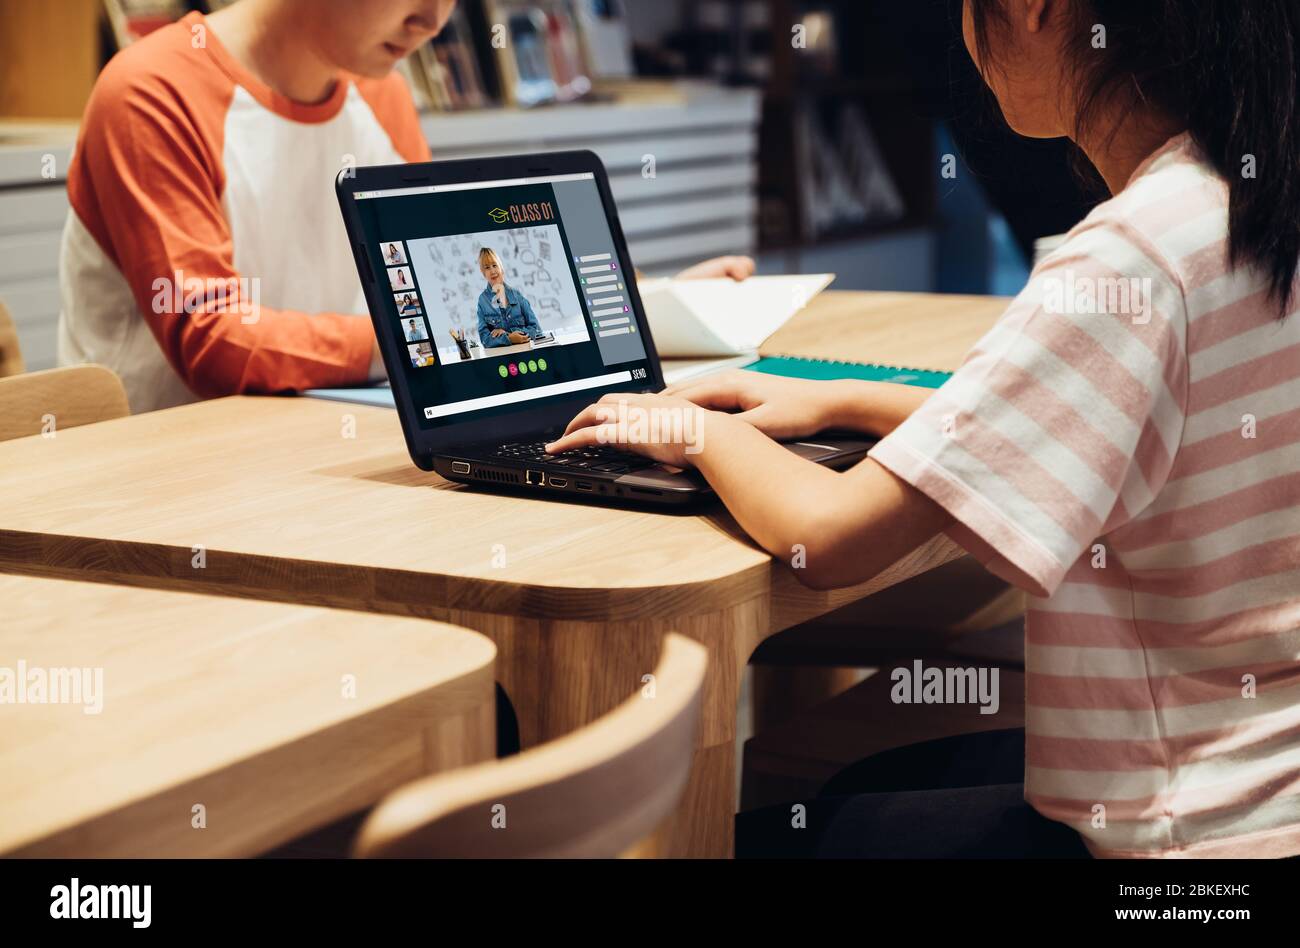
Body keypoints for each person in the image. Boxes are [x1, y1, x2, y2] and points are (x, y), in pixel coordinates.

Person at [550, 0, 1300, 859]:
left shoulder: (1130, 257)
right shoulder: (1250, 202)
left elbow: (830, 541)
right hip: (1271, 795)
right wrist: (846, 402)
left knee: (759, 840)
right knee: (854, 790)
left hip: (1179, 844)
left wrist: (692, 430)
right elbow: (1123, 421)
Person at [57, 0, 755, 413]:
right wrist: (412, 343)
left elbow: (440, 290)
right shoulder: (152, 91)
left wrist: (637, 305)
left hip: (318, 457)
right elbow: (215, 342)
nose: (435, 19)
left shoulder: (380, 88)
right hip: (162, 499)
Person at [475, 247, 542, 348]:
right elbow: (485, 339)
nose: (492, 271)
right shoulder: (482, 301)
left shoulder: (517, 296)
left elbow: (536, 329)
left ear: (501, 268)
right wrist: (509, 338)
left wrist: (509, 334)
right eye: (487, 267)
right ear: (483, 272)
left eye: (494, 265)